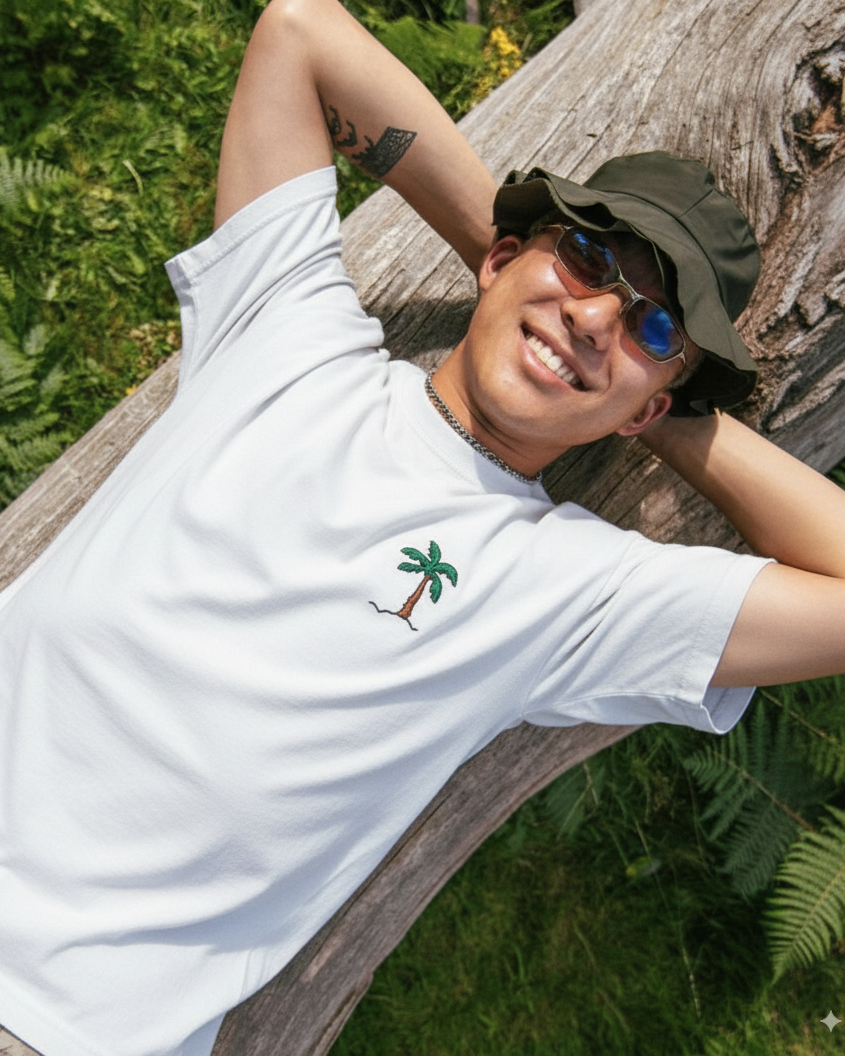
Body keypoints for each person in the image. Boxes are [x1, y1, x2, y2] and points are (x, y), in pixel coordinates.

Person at [1, 0, 844, 1054]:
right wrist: (522, 285)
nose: (596, 313)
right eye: (586, 256)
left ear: (650, 403)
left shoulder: (561, 590)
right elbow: (299, 33)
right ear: (497, 257)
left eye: (653, 324)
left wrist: (656, 418)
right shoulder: (286, 335)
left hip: (58, 1023)